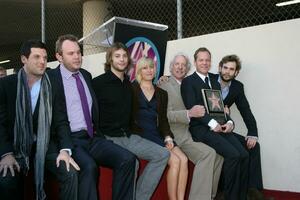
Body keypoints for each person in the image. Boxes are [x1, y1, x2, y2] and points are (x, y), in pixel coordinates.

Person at [47, 34, 136, 200]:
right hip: (69, 140)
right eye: (71, 53)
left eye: (78, 52)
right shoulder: (51, 80)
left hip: (92, 137)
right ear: (59, 57)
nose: (77, 56)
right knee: (89, 167)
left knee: (127, 159)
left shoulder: (86, 76)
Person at [0, 39, 79, 200]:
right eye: (37, 57)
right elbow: (0, 123)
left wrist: (65, 150)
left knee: (70, 173)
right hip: (16, 146)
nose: (42, 61)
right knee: (7, 180)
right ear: (24, 59)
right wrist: (5, 153)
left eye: (44, 57)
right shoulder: (6, 85)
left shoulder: (53, 85)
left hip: (46, 145)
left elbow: (61, 120)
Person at [92, 42, 170, 200]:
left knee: (162, 154)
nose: (121, 59)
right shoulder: (98, 83)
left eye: (124, 56)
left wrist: (163, 79)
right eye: (117, 56)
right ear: (110, 60)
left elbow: (148, 87)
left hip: (128, 135)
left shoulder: (129, 85)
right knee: (131, 162)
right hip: (108, 137)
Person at [181, 47, 249, 200]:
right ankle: (230, 197)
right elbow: (192, 108)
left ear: (210, 62)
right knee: (233, 155)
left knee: (244, 154)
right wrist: (212, 123)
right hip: (201, 129)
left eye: (207, 60)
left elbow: (222, 111)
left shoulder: (214, 83)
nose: (204, 63)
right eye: (201, 60)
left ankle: (240, 196)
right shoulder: (188, 82)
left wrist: (230, 122)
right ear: (195, 62)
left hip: (218, 127)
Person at [159, 53, 224, 200]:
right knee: (208, 155)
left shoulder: (189, 83)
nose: (180, 67)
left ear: (188, 67)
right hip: (179, 135)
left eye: (183, 65)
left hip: (196, 131)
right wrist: (188, 113)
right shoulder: (164, 84)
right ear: (171, 66)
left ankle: (210, 196)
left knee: (219, 155)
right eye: (177, 64)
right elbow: (166, 115)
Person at [131, 57, 188, 200]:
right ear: (139, 70)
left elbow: (163, 120)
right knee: (175, 161)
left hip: (158, 133)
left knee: (184, 159)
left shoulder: (162, 93)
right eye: (145, 67)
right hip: (141, 134)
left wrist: (168, 137)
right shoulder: (132, 89)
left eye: (151, 67)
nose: (149, 70)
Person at [212, 54, 264, 199]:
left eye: (231, 69)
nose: (227, 72)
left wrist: (252, 132)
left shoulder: (237, 87)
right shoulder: (207, 79)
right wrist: (166, 78)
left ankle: (252, 191)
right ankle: (224, 192)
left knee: (254, 146)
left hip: (224, 129)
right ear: (220, 68)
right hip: (208, 129)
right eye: (225, 68)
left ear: (236, 72)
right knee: (234, 152)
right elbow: (187, 83)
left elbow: (246, 111)